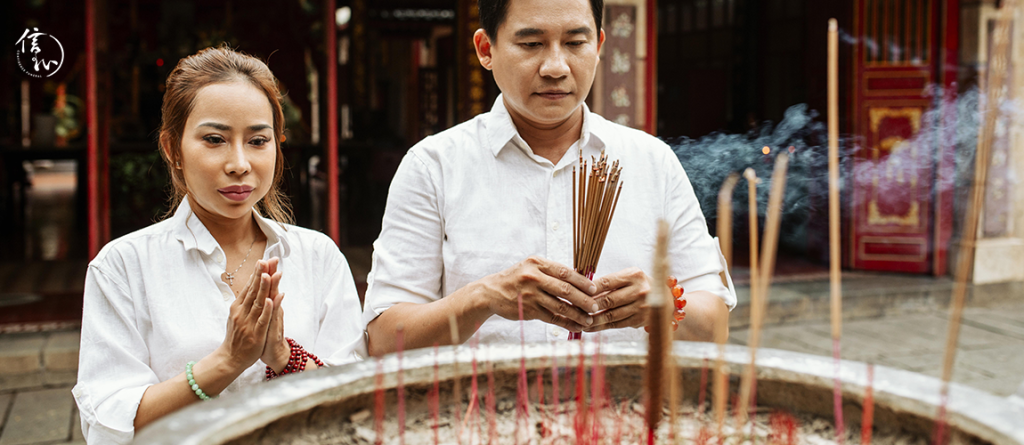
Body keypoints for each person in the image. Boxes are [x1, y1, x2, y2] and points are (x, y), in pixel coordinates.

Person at [362, 0, 735, 355]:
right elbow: (383, 339)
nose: (555, 67)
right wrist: (483, 298)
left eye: (575, 42)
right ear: (485, 48)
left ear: (599, 44)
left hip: (621, 413)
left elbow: (714, 325)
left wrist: (662, 305)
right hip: (481, 417)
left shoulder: (651, 162)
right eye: (531, 43)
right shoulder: (434, 167)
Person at [72, 46, 365, 443]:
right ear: (173, 149)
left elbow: (352, 403)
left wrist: (282, 356)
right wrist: (226, 362)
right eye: (215, 139)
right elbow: (110, 423)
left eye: (258, 141)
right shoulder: (124, 267)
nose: (239, 163)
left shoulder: (317, 257)